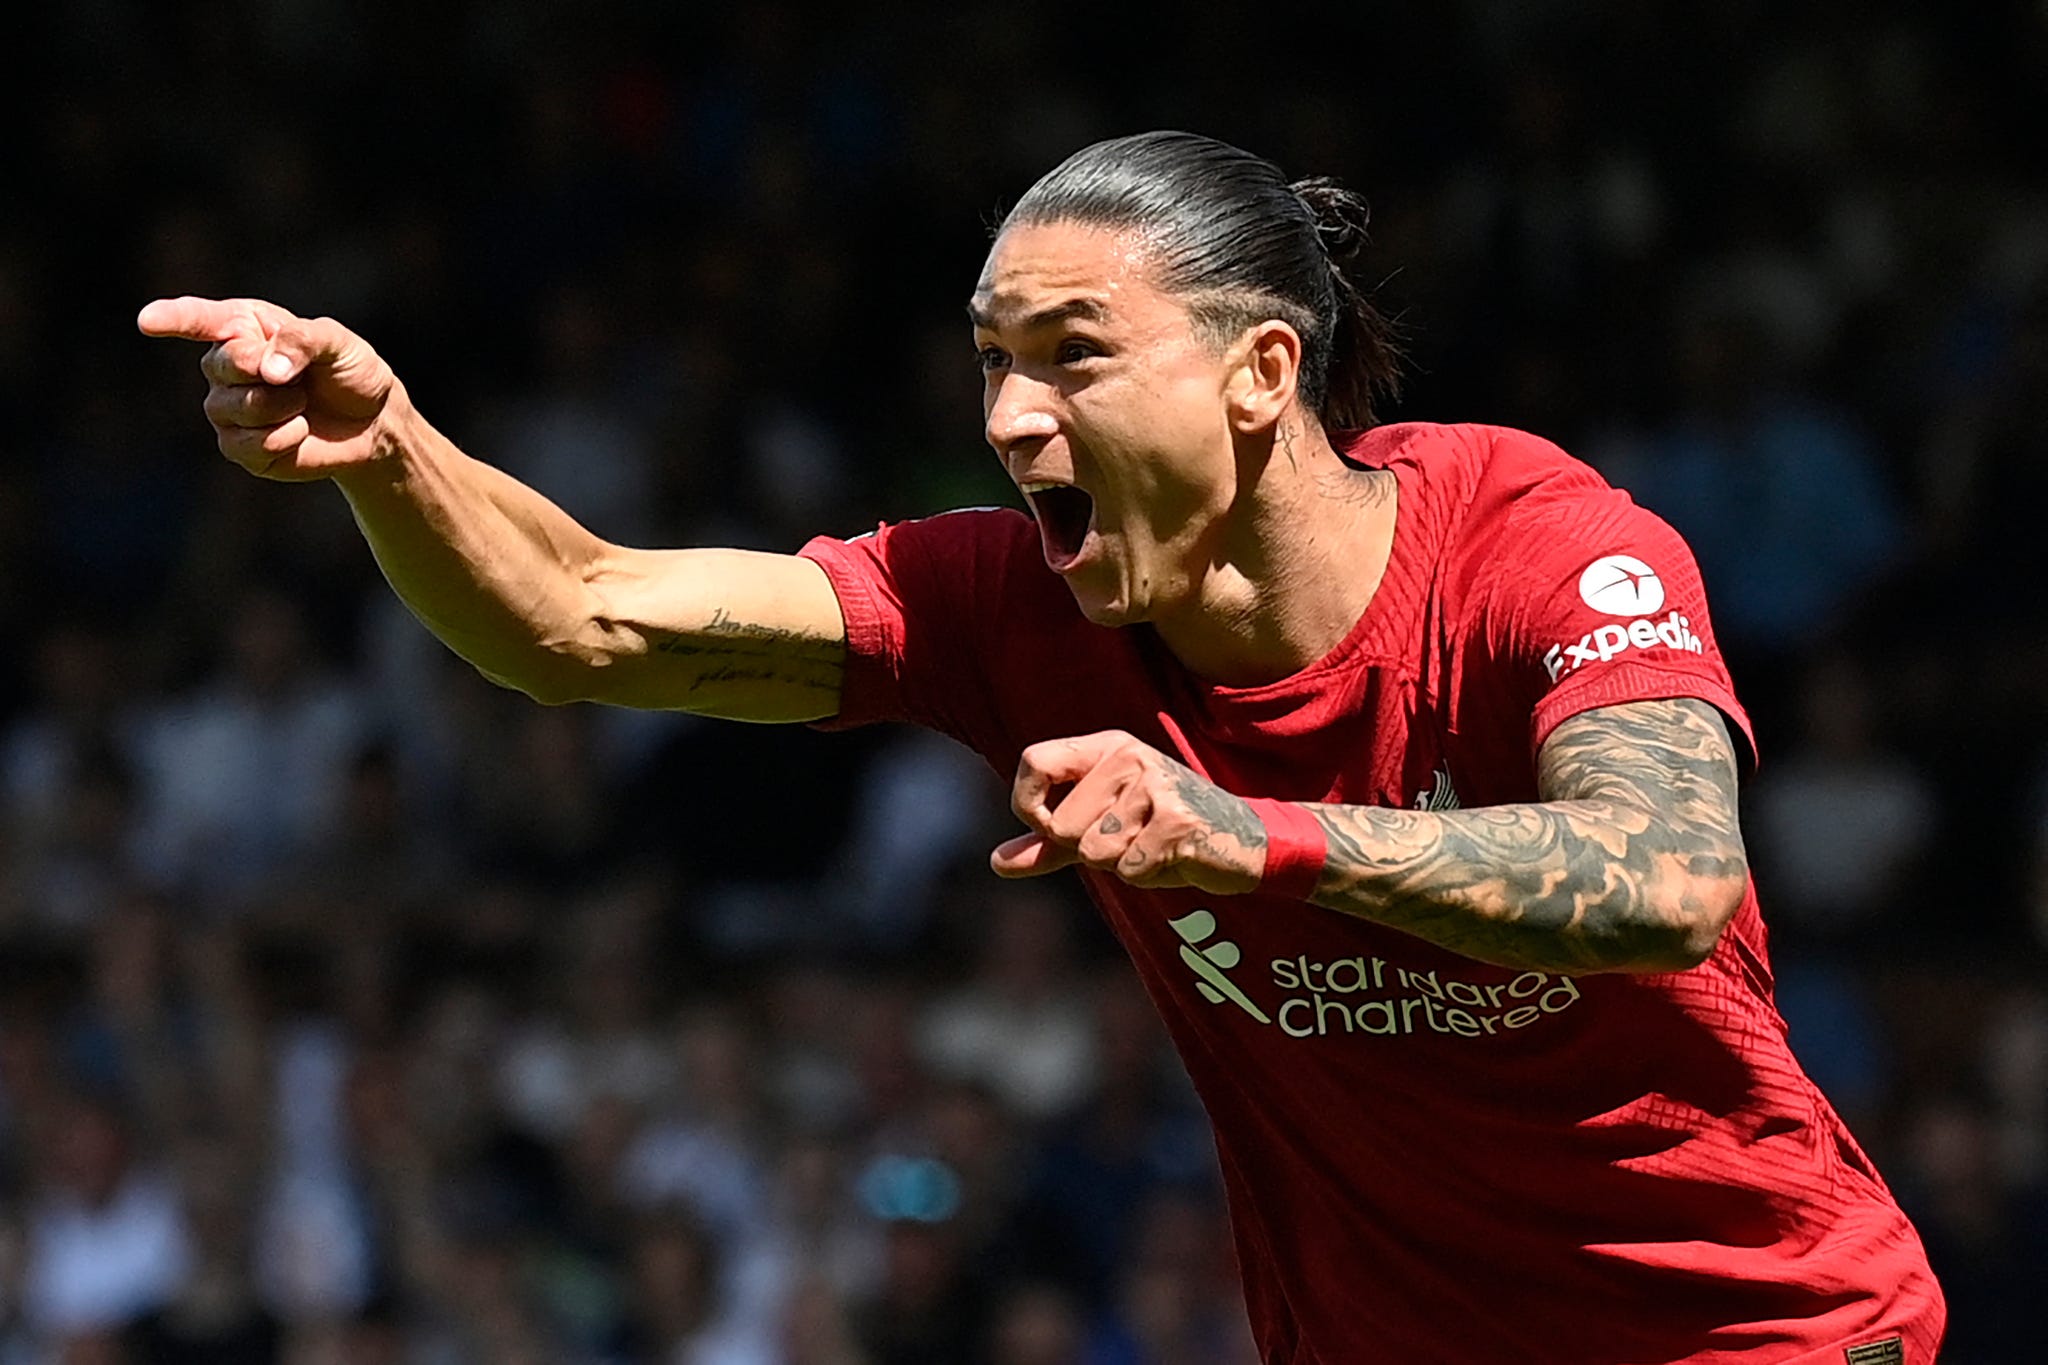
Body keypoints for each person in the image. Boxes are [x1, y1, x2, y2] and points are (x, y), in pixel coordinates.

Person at [140, 131, 1945, 1363]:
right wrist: (391, 455)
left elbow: (1666, 877)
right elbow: (577, 616)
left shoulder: (1540, 543)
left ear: (1260, 372)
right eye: (993, 362)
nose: (1011, 417)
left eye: (1073, 357)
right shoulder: (1014, 605)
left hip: (1756, 1329)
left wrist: (1251, 834)